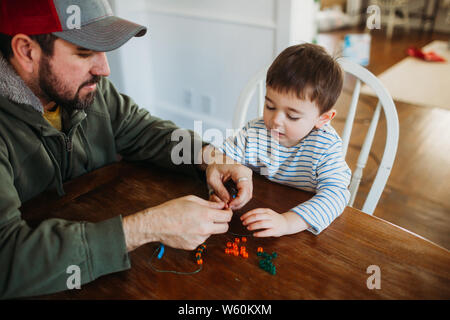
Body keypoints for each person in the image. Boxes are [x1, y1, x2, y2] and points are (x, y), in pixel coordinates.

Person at [0, 0, 252, 299]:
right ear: (27, 51)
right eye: (85, 53)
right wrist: (147, 227)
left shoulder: (87, 88)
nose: (105, 69)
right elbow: (8, 259)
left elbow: (142, 129)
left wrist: (209, 156)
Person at [213, 43, 351, 237]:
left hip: (299, 229)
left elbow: (336, 195)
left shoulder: (325, 147)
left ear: (323, 118)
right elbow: (221, 160)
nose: (275, 120)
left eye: (292, 116)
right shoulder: (256, 132)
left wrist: (287, 222)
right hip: (252, 213)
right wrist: (219, 191)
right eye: (270, 106)